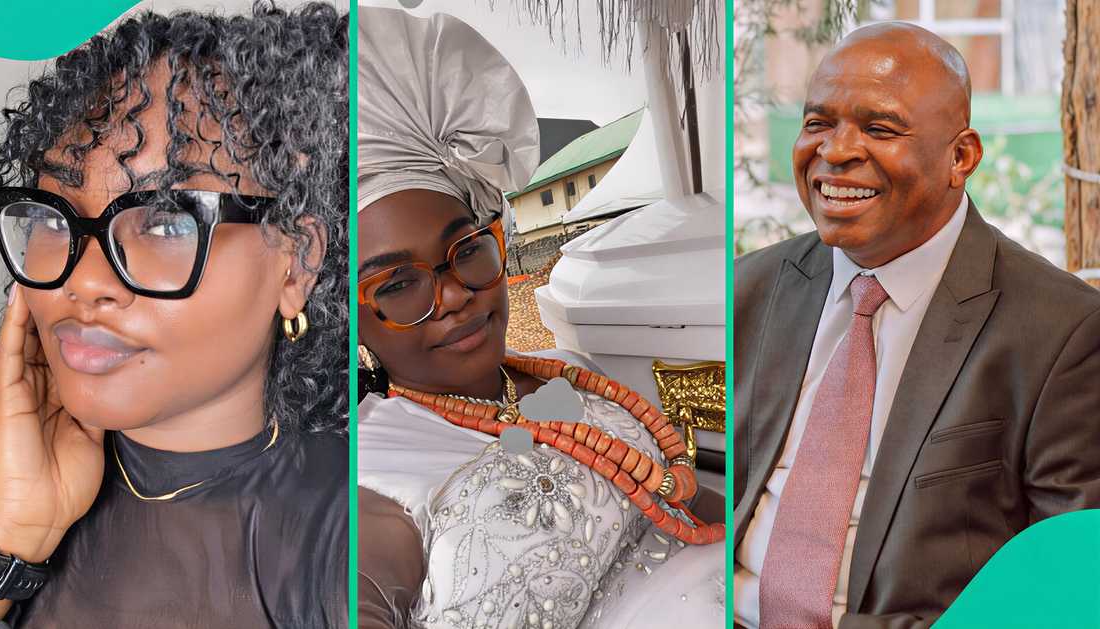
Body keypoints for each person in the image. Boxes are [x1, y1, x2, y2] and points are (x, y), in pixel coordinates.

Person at [356, 7, 726, 629]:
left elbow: (677, 501)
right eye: (397, 284)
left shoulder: (569, 370)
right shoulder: (372, 476)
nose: (453, 296)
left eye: (466, 250)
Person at [0, 3, 349, 627]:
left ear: (297, 260)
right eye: (49, 215)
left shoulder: (351, 538)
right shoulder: (1, 485)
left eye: (165, 219)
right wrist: (4, 549)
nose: (85, 279)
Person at [734, 22, 1100, 629]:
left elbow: (1070, 578)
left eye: (879, 128)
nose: (836, 151)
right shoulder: (749, 290)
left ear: (961, 157)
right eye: (818, 122)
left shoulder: (1062, 333)